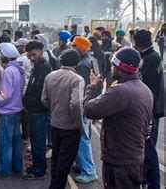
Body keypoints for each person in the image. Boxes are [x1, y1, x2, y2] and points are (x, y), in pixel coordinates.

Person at [84, 47, 153, 188]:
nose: (110, 68)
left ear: (121, 68)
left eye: (113, 65)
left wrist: (92, 86)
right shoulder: (144, 88)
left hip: (120, 162)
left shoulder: (120, 91)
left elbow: (90, 110)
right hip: (134, 157)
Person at [41, 50, 85, 188]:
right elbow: (76, 104)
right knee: (65, 162)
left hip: (55, 123)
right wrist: (80, 125)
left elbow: (44, 99)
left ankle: (54, 185)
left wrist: (55, 109)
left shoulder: (50, 76)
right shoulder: (76, 79)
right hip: (70, 127)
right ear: (77, 63)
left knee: (56, 159)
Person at [133, 29, 164, 189]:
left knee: (149, 147)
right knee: (145, 146)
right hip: (150, 107)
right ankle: (145, 178)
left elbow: (146, 86)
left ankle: (154, 184)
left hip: (150, 109)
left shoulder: (150, 59)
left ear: (136, 42)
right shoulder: (148, 57)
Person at [0, 43, 24, 179]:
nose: (0, 56)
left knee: (5, 142)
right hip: (17, 109)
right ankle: (17, 167)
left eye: (2, 53)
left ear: (7, 56)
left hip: (7, 111)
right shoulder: (18, 69)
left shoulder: (9, 71)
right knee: (16, 141)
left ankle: (4, 170)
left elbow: (5, 94)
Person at [22, 41, 51, 180]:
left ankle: (39, 170)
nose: (32, 58)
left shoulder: (44, 68)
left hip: (39, 111)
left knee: (38, 142)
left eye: (34, 55)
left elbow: (40, 93)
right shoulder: (37, 66)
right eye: (29, 56)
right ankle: (37, 166)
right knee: (35, 141)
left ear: (41, 51)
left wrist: (30, 104)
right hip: (34, 110)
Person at [71, 36, 98, 183]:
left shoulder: (82, 65)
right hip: (88, 102)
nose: (73, 48)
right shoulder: (91, 60)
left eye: (75, 46)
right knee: (83, 136)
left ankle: (89, 171)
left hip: (82, 104)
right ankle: (81, 165)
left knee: (83, 139)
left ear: (82, 47)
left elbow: (80, 88)